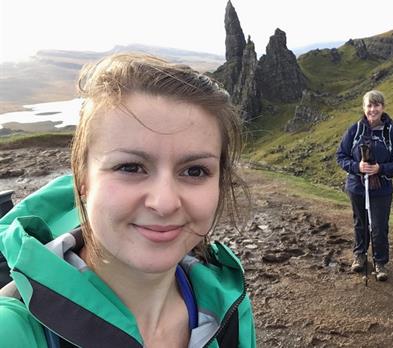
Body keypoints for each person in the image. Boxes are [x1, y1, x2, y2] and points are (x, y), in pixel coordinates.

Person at [0, 53, 256, 347]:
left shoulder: (231, 310)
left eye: (195, 170)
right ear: (83, 180)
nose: (164, 203)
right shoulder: (12, 332)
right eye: (130, 167)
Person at [336, 90, 393, 281]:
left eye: (376, 105)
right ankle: (359, 255)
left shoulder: (391, 132)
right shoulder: (354, 130)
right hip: (357, 187)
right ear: (363, 108)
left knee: (380, 226)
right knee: (361, 223)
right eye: (369, 105)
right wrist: (357, 166)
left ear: (383, 107)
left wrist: (380, 169)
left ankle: (380, 262)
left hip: (382, 189)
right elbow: (341, 156)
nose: (372, 109)